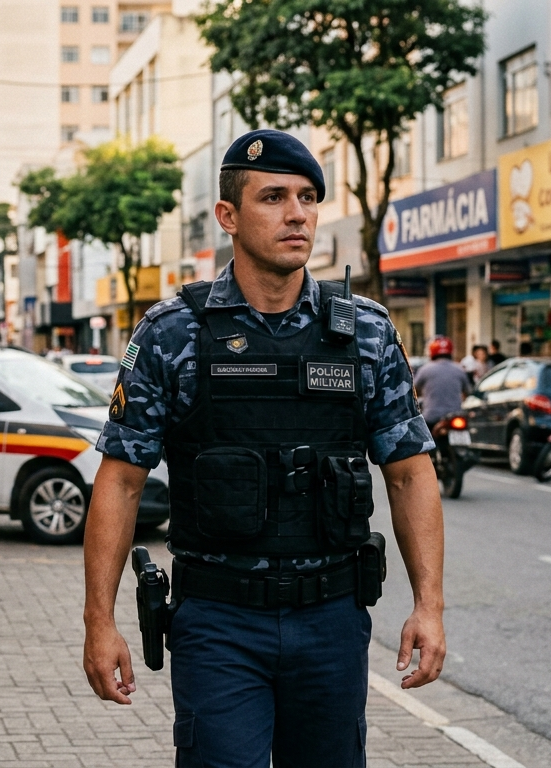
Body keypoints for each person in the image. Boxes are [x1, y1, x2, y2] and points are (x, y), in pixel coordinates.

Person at [82, 129, 445, 767]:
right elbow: (121, 481)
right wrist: (98, 621)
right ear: (228, 215)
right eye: (273, 197)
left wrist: (429, 607)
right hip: (219, 623)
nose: (297, 213)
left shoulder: (364, 332)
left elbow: (411, 475)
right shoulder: (172, 334)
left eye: (308, 197)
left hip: (332, 620)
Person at [415, 337, 472, 427]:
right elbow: (467, 392)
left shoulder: (425, 369)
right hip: (455, 416)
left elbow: (414, 390)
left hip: (431, 416)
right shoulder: (460, 369)